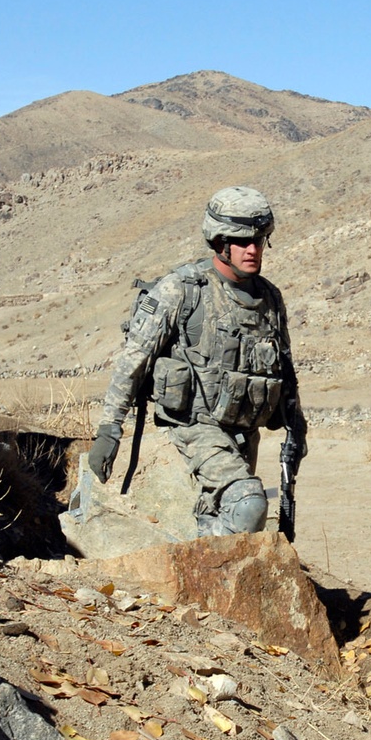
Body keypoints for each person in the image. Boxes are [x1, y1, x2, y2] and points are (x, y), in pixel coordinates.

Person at [87, 185, 305, 536]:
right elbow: (133, 361)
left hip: (243, 434)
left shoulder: (269, 298)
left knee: (225, 511)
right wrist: (109, 430)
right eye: (242, 240)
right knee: (249, 506)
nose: (253, 249)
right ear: (220, 242)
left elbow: (286, 371)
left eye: (259, 240)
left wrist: (298, 430)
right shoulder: (183, 289)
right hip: (194, 429)